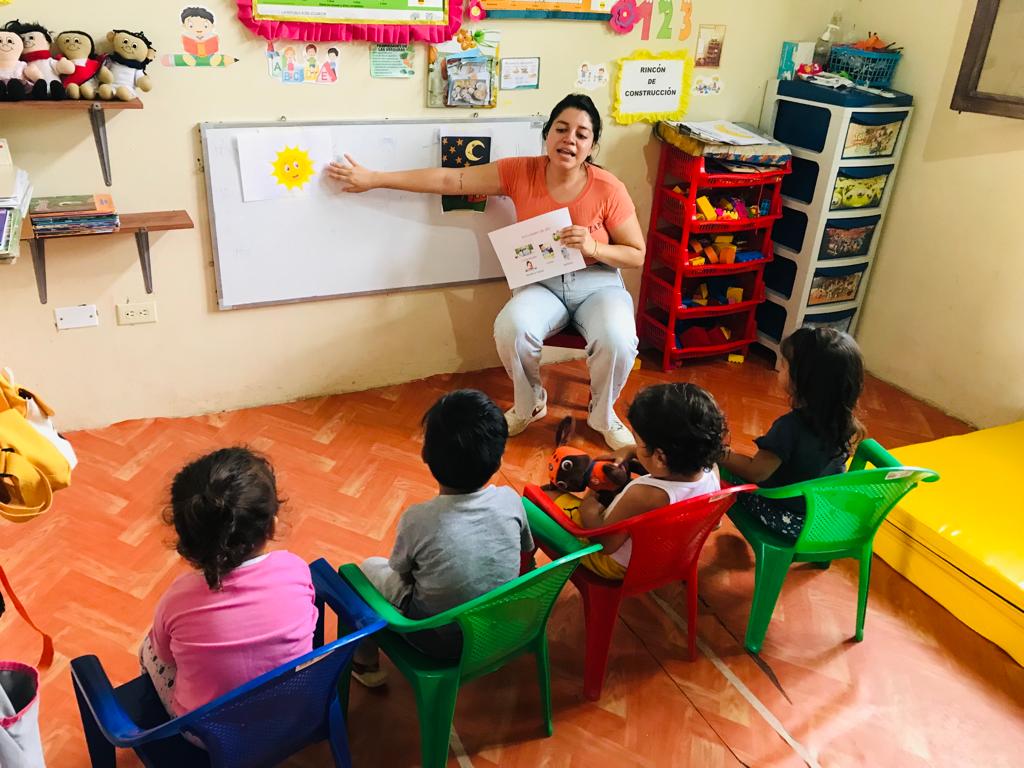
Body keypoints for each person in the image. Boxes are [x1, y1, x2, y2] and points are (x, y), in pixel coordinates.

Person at [326, 93, 646, 450]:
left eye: (581, 134)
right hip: (541, 283)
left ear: (592, 146)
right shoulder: (520, 171)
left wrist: (594, 248)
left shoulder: (608, 188)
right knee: (511, 328)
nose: (569, 139)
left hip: (597, 282)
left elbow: (636, 254)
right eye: (561, 129)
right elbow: (452, 181)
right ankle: (530, 403)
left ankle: (602, 415)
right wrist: (375, 178)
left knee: (618, 339)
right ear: (547, 134)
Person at [352, 389, 534, 686]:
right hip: (497, 631)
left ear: (426, 455)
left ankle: (364, 662)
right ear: (498, 461)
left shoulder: (418, 518)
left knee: (365, 570)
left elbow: (401, 571)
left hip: (435, 641)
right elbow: (526, 554)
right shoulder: (511, 501)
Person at [141, 447, 318, 716]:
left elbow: (165, 656)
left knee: (148, 649)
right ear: (272, 525)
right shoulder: (295, 570)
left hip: (207, 732)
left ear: (188, 542)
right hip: (290, 712)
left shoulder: (178, 599)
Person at [546, 383, 725, 579]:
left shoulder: (644, 495)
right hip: (670, 558)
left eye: (638, 443)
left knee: (542, 498)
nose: (635, 447)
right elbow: (715, 524)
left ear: (660, 458)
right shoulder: (712, 470)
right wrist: (631, 451)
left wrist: (589, 504)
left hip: (618, 567)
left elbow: (605, 544)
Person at [720, 327, 865, 540]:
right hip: (825, 516)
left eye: (785, 365)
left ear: (803, 381)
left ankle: (711, 522)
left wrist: (718, 453)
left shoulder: (789, 428)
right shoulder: (846, 422)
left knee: (724, 472)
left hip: (788, 519)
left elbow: (756, 472)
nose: (780, 368)